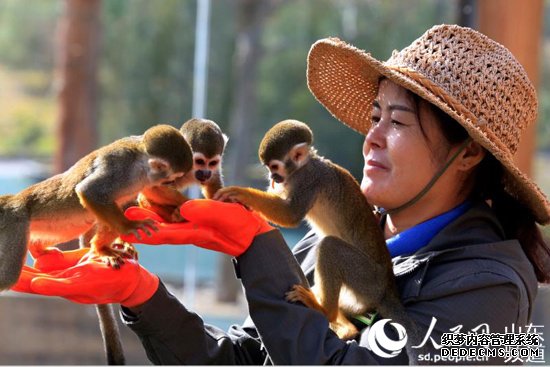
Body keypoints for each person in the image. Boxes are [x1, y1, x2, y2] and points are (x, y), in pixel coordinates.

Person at [12, 24, 550, 365]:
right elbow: (238, 359)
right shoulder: (340, 233)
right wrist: (143, 295)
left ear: (469, 154)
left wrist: (258, 247)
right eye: (375, 116)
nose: (373, 137)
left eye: (400, 123)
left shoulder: (492, 297)